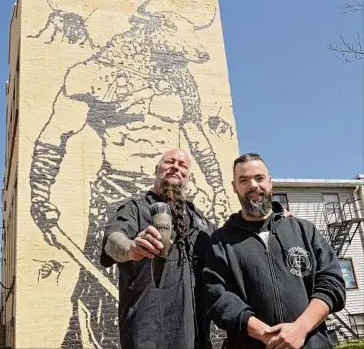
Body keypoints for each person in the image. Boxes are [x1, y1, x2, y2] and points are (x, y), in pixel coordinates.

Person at [202, 152, 346, 349]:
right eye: (244, 180)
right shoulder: (220, 241)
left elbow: (332, 283)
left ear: (270, 182)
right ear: (234, 187)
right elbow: (215, 295)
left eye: (259, 178)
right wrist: (263, 334)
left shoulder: (304, 230)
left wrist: (300, 329)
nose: (253, 185)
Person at [100, 148, 217, 349]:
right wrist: (131, 248)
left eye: (183, 166)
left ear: (188, 176)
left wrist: (275, 219)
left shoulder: (202, 222)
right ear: (157, 169)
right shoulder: (135, 209)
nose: (175, 168)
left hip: (197, 337)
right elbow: (113, 241)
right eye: (169, 162)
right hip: (148, 335)